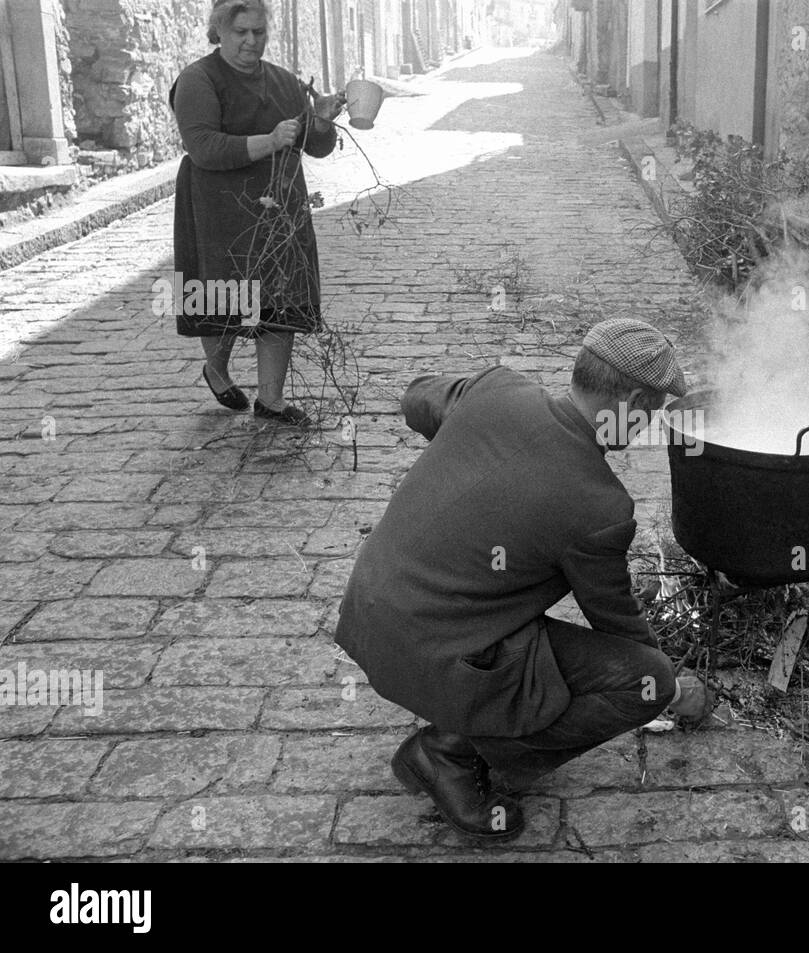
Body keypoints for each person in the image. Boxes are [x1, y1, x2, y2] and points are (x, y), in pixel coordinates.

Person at [334, 319, 690, 841]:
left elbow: (416, 398)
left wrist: (469, 436)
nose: (645, 428)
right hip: (434, 652)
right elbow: (617, 622)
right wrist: (675, 692)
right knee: (647, 680)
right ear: (634, 400)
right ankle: (450, 754)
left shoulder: (498, 390)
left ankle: (459, 734)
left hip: (368, 615)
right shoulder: (600, 506)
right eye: (651, 413)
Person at [170, 0, 346, 426]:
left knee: (280, 298)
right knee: (223, 296)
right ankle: (216, 369)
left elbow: (315, 146)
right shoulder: (199, 80)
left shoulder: (285, 83)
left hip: (278, 206)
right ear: (219, 32)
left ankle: (271, 399)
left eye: (259, 32)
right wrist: (268, 141)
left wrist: (320, 119)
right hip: (217, 206)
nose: (251, 41)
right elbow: (204, 149)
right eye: (240, 32)